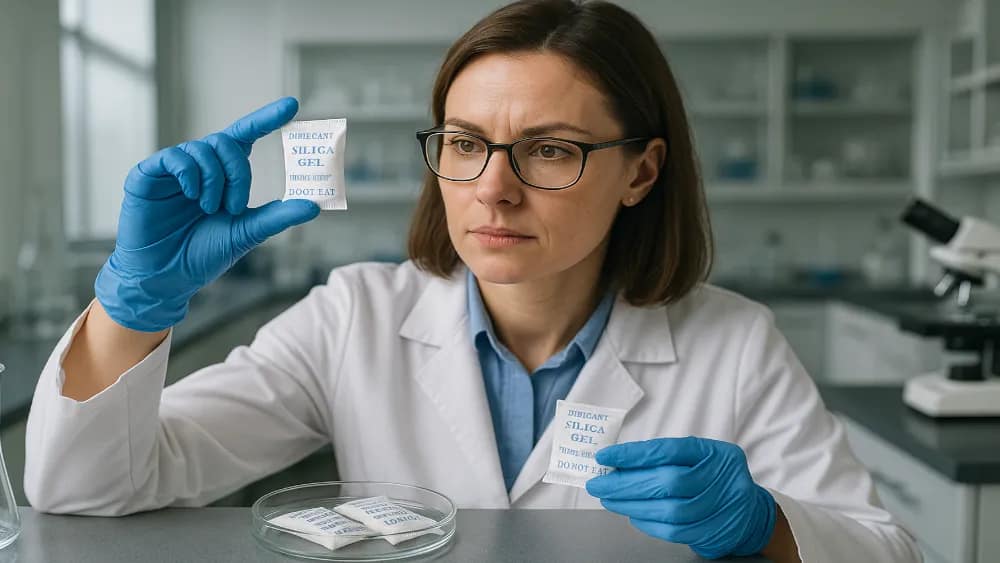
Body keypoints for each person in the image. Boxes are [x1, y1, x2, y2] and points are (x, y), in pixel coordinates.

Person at [24, 1, 920, 561]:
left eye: (550, 149)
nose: (492, 187)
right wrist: (131, 306)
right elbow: (84, 492)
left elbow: (890, 550)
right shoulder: (353, 317)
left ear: (642, 172)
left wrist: (765, 529)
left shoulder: (734, 342)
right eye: (465, 143)